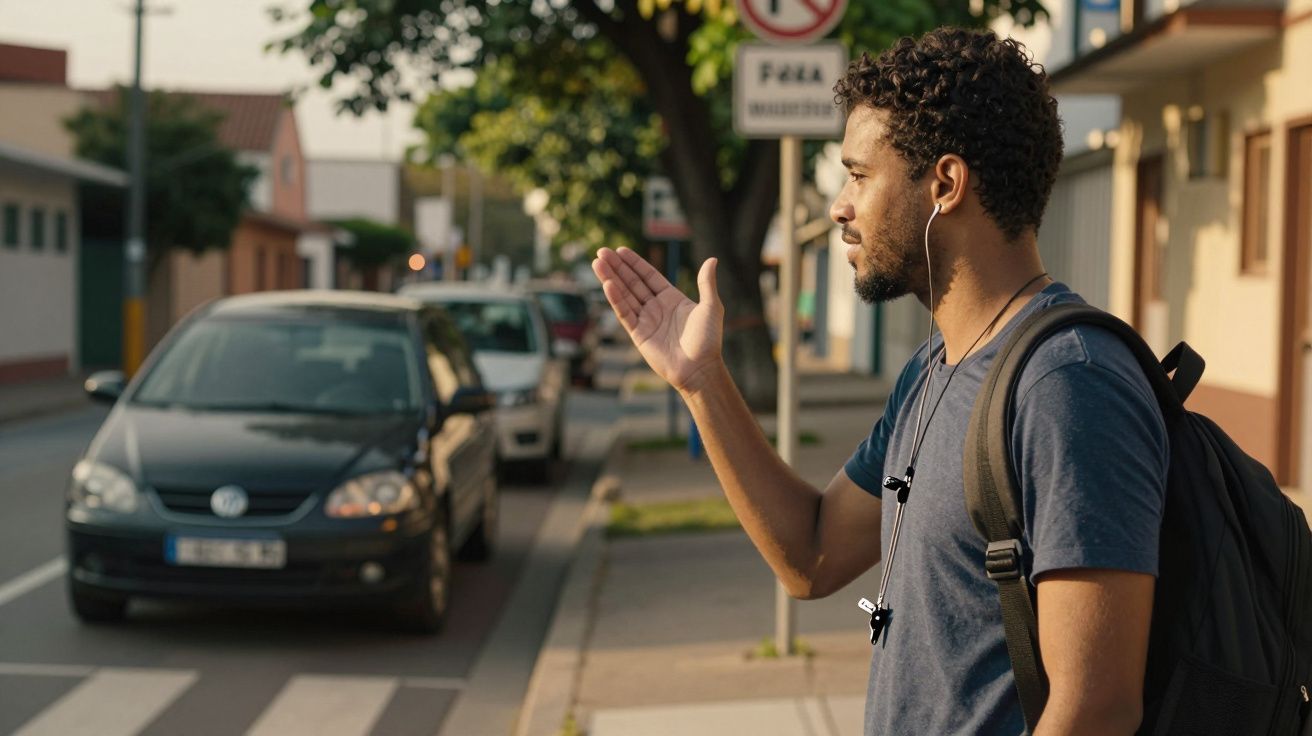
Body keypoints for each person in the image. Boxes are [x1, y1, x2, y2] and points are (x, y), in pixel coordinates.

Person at [592, 27, 1167, 736]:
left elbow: (1097, 709)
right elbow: (812, 556)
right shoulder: (934, 369)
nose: (839, 205)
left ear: (946, 185)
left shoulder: (1068, 384)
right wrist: (702, 381)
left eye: (859, 175)